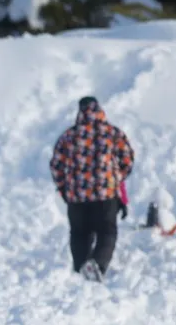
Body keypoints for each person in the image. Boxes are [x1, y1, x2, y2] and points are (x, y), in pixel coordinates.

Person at [49, 96, 135, 281]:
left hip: (77, 197)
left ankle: (81, 270)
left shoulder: (69, 136)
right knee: (107, 232)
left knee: (79, 233)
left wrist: (64, 188)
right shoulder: (113, 134)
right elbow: (127, 160)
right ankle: (97, 264)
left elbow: (56, 165)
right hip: (105, 196)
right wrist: (115, 178)